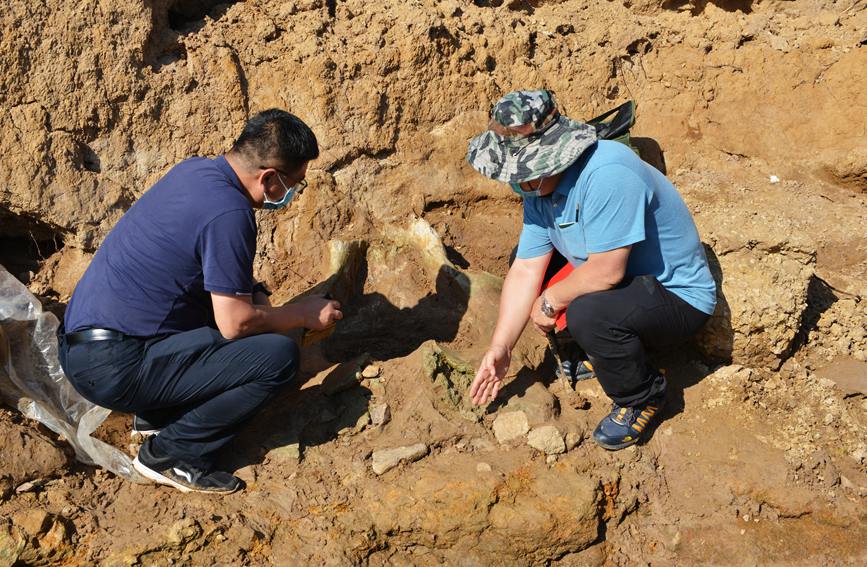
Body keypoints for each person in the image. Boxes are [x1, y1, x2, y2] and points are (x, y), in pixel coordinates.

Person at [58, 109, 343, 493]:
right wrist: (302, 315)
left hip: (84, 345)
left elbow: (195, 274)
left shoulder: (194, 172)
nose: (292, 193)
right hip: (114, 366)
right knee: (276, 357)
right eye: (295, 183)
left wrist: (259, 298)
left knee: (224, 313)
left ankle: (158, 414)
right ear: (270, 178)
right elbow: (235, 323)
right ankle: (172, 455)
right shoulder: (230, 212)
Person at [465, 90, 716, 450]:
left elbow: (607, 273)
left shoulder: (608, 173)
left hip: (675, 296)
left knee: (587, 312)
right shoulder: (541, 189)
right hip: (626, 283)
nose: (521, 185)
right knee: (528, 264)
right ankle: (597, 353)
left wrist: (551, 301)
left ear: (555, 156)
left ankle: (642, 396)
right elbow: (525, 268)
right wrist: (501, 346)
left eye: (528, 175)